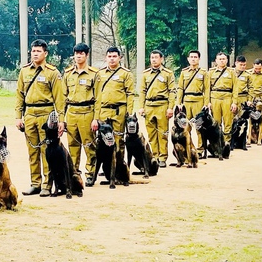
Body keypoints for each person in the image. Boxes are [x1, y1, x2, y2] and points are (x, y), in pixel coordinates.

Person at [15, 39, 65, 197]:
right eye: (33, 51)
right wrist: (18, 116)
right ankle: (35, 183)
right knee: (32, 151)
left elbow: (59, 98)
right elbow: (19, 95)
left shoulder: (52, 72)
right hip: (29, 114)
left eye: (38, 51)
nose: (35, 54)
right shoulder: (24, 71)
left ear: (46, 53)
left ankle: (47, 184)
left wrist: (61, 120)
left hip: (46, 114)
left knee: (46, 151)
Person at [92, 46, 134, 176]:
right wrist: (96, 115)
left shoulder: (125, 73)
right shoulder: (99, 74)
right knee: (103, 141)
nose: (112, 59)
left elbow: (130, 94)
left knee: (118, 141)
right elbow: (96, 95)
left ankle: (118, 169)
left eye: (114, 56)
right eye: (109, 56)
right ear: (106, 57)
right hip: (103, 111)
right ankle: (106, 169)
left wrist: (129, 113)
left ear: (119, 58)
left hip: (119, 111)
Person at [62, 43, 99, 185]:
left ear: (87, 55)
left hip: (87, 112)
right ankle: (74, 173)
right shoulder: (67, 73)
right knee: (72, 146)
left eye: (81, 53)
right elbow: (63, 98)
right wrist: (61, 119)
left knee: (89, 145)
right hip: (71, 112)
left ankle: (90, 173)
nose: (78, 56)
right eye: (76, 53)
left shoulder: (94, 74)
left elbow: (98, 98)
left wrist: (96, 119)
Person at [137, 50, 176, 168]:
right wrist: (141, 107)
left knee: (163, 133)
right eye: (152, 57)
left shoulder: (167, 74)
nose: (154, 59)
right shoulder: (145, 74)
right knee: (152, 133)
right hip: (149, 105)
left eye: (156, 57)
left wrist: (170, 108)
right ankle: (154, 156)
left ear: (161, 59)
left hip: (162, 105)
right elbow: (142, 91)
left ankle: (163, 157)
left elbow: (172, 91)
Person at [176, 50, 210, 154]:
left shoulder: (203, 72)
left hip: (198, 101)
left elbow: (207, 89)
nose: (193, 59)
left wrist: (206, 103)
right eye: (191, 57)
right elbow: (180, 88)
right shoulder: (184, 72)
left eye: (195, 57)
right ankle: (188, 148)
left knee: (199, 126)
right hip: (186, 102)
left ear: (199, 59)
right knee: (185, 127)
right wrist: (179, 102)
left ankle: (200, 149)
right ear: (188, 59)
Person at [208, 52, 239, 145]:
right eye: (220, 59)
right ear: (216, 61)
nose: (222, 61)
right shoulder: (211, 72)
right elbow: (207, 88)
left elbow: (235, 88)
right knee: (216, 122)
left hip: (227, 98)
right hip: (215, 98)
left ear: (227, 60)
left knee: (228, 122)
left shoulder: (232, 72)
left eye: (224, 59)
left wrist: (234, 102)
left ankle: (226, 143)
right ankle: (218, 143)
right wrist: (208, 102)